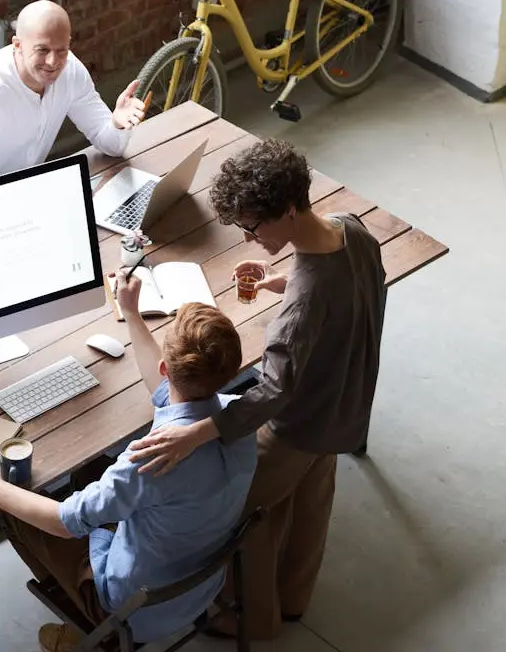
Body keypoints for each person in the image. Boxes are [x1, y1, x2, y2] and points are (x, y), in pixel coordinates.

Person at [127, 138, 389, 640]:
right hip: (346, 405)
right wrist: (282, 281)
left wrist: (198, 433)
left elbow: (271, 391)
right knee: (312, 504)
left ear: (288, 210)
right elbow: (342, 283)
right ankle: (293, 601)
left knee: (247, 513)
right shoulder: (351, 230)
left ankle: (257, 617)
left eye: (251, 226)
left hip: (300, 424)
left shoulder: (302, 306)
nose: (248, 238)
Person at [0, 271, 257, 652]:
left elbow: (62, 522)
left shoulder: (148, 460)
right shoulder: (241, 417)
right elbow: (166, 392)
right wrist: (131, 314)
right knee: (93, 471)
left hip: (135, 612)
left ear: (164, 368)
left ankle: (88, 626)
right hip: (198, 587)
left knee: (11, 510)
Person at [0, 0, 147, 194]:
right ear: (18, 45)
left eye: (62, 50)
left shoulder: (71, 72)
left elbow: (111, 145)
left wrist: (117, 124)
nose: (53, 62)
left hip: (24, 192)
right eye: (42, 50)